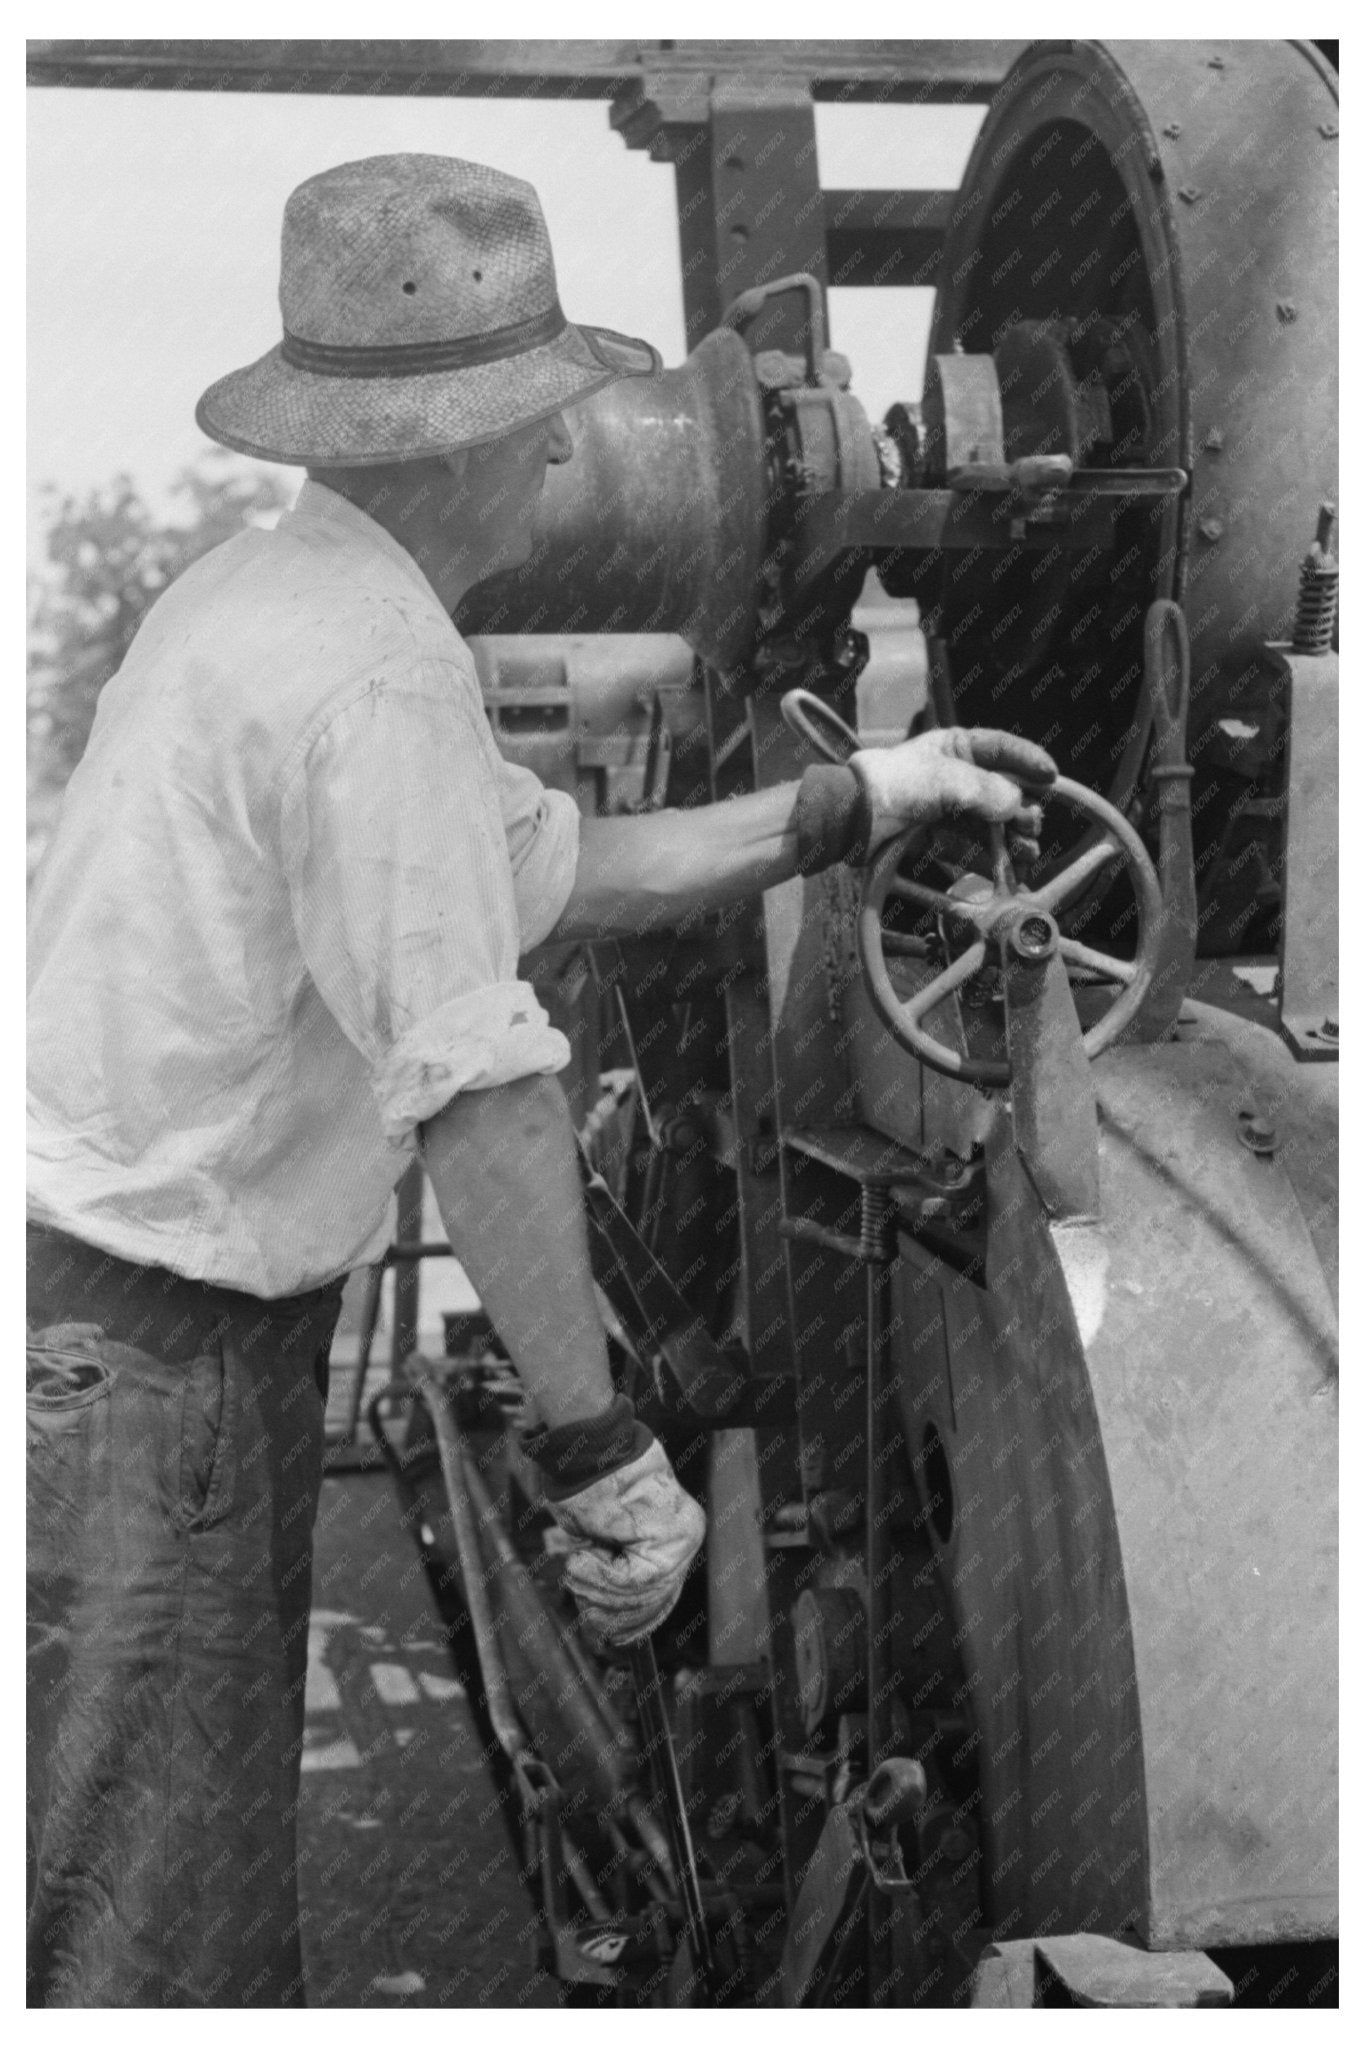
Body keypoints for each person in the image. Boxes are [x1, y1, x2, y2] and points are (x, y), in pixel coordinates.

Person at [26, 153, 1055, 2007]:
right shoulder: (376, 677)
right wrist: (600, 1457)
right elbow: (484, 1088)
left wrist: (857, 801)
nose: (572, 451)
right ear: (451, 449)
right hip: (154, 1372)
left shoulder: (282, 603)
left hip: (135, 1340)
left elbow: (568, 864)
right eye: (539, 418)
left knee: (158, 1902)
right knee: (150, 1958)